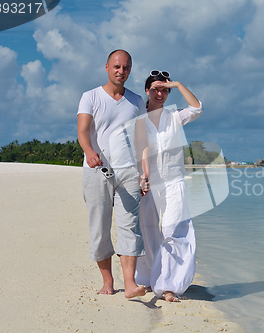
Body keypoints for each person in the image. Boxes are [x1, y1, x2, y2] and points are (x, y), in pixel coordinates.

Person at [77, 49, 147, 298]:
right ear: (106, 67)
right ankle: (108, 280)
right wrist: (89, 151)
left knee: (130, 227)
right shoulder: (90, 97)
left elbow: (142, 141)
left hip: (128, 171)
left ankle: (130, 284)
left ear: (130, 70)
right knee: (99, 229)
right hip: (97, 171)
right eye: (117, 66)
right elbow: (83, 131)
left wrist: (143, 173)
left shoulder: (137, 101)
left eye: (126, 68)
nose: (121, 71)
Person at [134, 70, 202, 302]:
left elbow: (196, 108)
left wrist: (178, 84)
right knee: (148, 232)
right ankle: (150, 278)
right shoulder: (138, 117)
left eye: (164, 90)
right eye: (155, 89)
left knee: (173, 231)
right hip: (148, 183)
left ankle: (169, 285)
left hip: (174, 182)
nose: (160, 93)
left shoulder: (175, 116)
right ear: (147, 91)